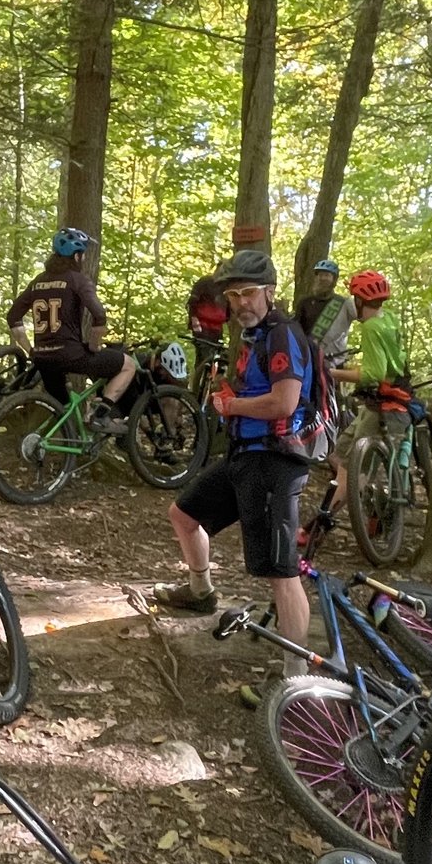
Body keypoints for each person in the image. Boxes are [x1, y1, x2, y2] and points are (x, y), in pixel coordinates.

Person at [148, 249, 317, 673]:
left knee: (282, 572)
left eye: (247, 292)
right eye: (233, 294)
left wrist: (234, 405)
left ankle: (294, 678)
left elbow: (285, 402)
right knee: (183, 514)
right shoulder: (255, 337)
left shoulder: (283, 335)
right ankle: (200, 590)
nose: (240, 302)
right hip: (246, 456)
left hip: (276, 462)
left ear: (270, 292)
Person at [5, 227, 138, 433]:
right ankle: (100, 417)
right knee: (128, 365)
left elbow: (13, 317)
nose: (83, 258)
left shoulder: (38, 282)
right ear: (77, 256)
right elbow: (99, 315)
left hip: (43, 359)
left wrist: (30, 350)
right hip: (70, 354)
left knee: (64, 408)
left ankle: (65, 449)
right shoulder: (77, 280)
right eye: (83, 253)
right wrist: (94, 346)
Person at [327, 270, 411, 521]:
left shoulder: (372, 327)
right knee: (339, 452)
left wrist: (333, 373)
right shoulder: (390, 319)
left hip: (383, 405)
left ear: (360, 301)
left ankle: (320, 524)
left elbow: (373, 374)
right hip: (390, 397)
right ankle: (361, 495)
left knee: (356, 468)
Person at [296, 258, 354, 368]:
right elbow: (296, 329)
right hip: (310, 360)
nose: (322, 278)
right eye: (319, 275)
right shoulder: (305, 302)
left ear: (334, 280)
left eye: (327, 275)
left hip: (336, 362)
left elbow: (366, 318)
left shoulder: (344, 304)